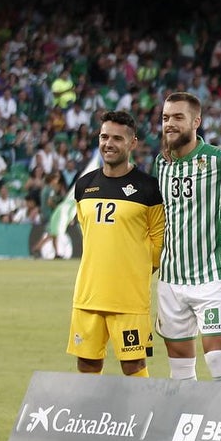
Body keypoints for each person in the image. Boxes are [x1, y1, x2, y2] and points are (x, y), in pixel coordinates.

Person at [152, 92, 221, 383]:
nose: (170, 123)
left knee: (217, 360)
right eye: (166, 118)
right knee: (179, 369)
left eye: (178, 117)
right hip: (171, 278)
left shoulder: (219, 162)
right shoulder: (161, 163)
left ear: (196, 121)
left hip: (211, 277)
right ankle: (185, 424)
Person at [67, 111, 164, 377]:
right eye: (104, 136)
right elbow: (88, 234)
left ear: (132, 143)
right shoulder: (84, 185)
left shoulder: (148, 188)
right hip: (88, 295)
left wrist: (136, 270)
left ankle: (143, 418)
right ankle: (88, 418)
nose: (109, 143)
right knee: (86, 364)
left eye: (117, 139)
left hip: (129, 298)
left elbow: (159, 242)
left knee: (133, 366)